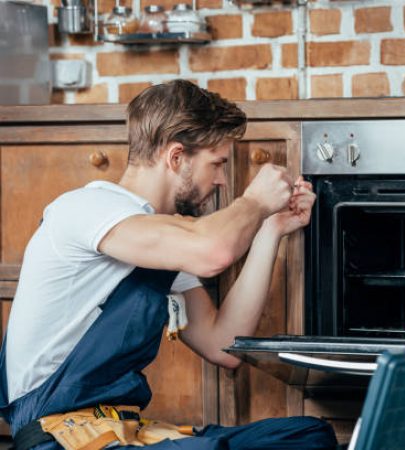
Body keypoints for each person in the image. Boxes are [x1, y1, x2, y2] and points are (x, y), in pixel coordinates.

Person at [0, 80, 338, 450]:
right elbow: (214, 252)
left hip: (121, 431)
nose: (223, 179)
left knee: (308, 434)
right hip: (59, 438)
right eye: (218, 163)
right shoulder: (87, 209)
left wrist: (270, 230)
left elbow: (222, 345)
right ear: (176, 157)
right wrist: (255, 202)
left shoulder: (165, 242)